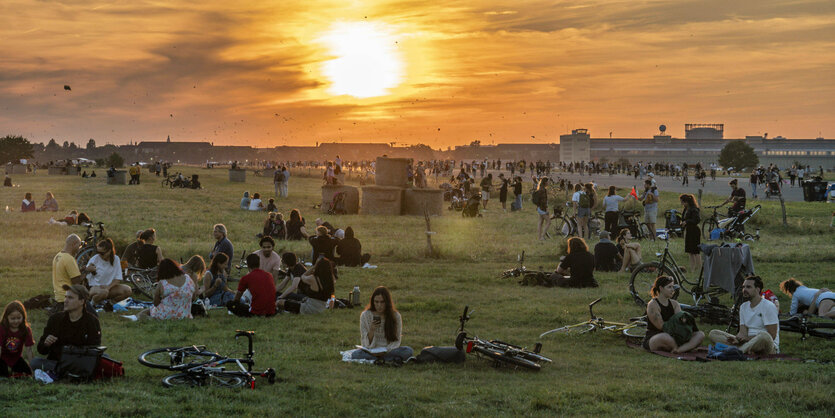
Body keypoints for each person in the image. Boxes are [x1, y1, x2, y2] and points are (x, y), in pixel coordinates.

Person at [32, 285, 101, 371]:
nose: (65, 301)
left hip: (80, 361)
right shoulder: (55, 319)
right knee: (35, 362)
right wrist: (46, 343)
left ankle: (66, 371)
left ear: (82, 301)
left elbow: (94, 349)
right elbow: (41, 350)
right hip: (57, 362)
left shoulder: (91, 321)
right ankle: (67, 371)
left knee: (103, 359)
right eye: (65, 297)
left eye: (70, 298)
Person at [709, 276, 779, 355]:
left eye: (748, 287)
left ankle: (738, 352)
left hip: (766, 345)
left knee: (764, 336)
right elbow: (743, 332)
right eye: (743, 287)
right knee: (714, 333)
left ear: (758, 289)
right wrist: (737, 339)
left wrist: (747, 339)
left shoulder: (768, 306)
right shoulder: (743, 307)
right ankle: (743, 349)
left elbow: (772, 336)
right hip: (747, 342)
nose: (744, 290)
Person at [642, 276, 705, 353]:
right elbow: (661, 326)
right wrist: (676, 323)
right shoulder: (653, 304)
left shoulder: (675, 304)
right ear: (661, 288)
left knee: (700, 335)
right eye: (669, 287)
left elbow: (680, 322)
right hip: (657, 336)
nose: (673, 290)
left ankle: (679, 350)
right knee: (665, 337)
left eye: (673, 287)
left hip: (676, 336)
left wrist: (685, 321)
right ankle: (683, 347)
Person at [351, 286, 414, 363]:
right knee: (356, 354)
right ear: (373, 302)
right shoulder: (365, 315)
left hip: (388, 351)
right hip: (371, 351)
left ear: (387, 302)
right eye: (376, 302)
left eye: (382, 302)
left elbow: (396, 341)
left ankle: (379, 360)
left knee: (408, 350)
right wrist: (372, 330)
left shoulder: (396, 316)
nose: (379, 305)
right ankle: (384, 360)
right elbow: (364, 343)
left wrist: (386, 351)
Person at [126, 259, 196, 321]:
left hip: (166, 315)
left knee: (148, 311)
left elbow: (156, 303)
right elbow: (193, 298)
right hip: (185, 315)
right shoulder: (188, 279)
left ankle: (135, 318)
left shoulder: (163, 283)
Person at [83, 238, 132, 305]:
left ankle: (110, 304)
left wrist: (108, 287)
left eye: (102, 253)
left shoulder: (116, 259)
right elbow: (86, 277)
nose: (99, 255)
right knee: (104, 292)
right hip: (95, 287)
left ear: (109, 251)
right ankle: (93, 303)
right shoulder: (95, 259)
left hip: (109, 288)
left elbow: (117, 279)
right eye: (98, 252)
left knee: (128, 290)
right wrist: (88, 270)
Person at [0, 301, 35, 377]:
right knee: (4, 375)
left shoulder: (26, 330)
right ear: (7, 317)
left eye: (19, 318)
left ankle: (13, 372)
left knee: (27, 373)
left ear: (23, 316)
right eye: (12, 318)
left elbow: (29, 350)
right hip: (2, 358)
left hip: (16, 359)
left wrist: (33, 369)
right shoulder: (2, 328)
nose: (16, 321)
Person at [52, 234, 83, 311]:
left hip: (58, 297)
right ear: (74, 244)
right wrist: (88, 272)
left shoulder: (58, 256)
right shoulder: (69, 259)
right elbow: (76, 282)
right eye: (79, 246)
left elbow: (65, 274)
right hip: (67, 297)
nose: (79, 248)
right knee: (93, 313)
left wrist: (82, 270)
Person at [680, 194, 702, 274]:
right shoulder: (686, 209)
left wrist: (687, 222)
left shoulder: (694, 209)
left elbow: (696, 220)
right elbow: (683, 218)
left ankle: (699, 269)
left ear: (686, 202)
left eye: (682, 202)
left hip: (694, 231)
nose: (682, 204)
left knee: (696, 251)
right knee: (690, 251)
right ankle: (692, 269)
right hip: (688, 230)